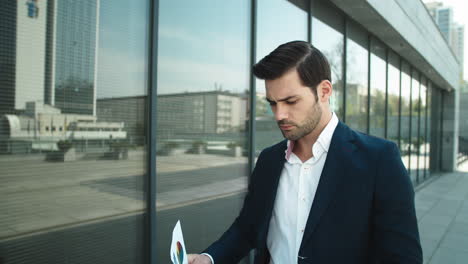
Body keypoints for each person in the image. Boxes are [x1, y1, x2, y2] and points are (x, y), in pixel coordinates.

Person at [188, 40, 422, 264]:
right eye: (272, 103)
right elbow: (248, 227)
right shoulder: (269, 160)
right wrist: (209, 259)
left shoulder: (379, 160)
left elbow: (402, 258)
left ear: (324, 91)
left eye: (290, 101)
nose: (279, 114)